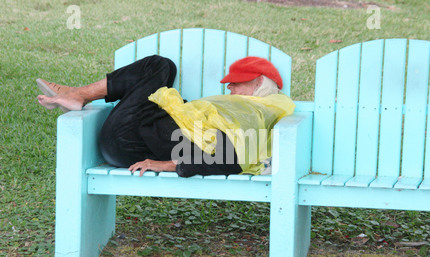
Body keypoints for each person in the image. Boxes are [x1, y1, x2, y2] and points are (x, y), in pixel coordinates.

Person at [37, 55, 294, 177]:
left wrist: (163, 164)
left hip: (129, 140)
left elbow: (228, 162)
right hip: (139, 130)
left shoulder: (254, 118)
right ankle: (77, 95)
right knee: (162, 68)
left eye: (237, 83)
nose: (230, 88)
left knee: (160, 66)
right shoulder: (244, 112)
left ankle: (78, 94)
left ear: (260, 82)